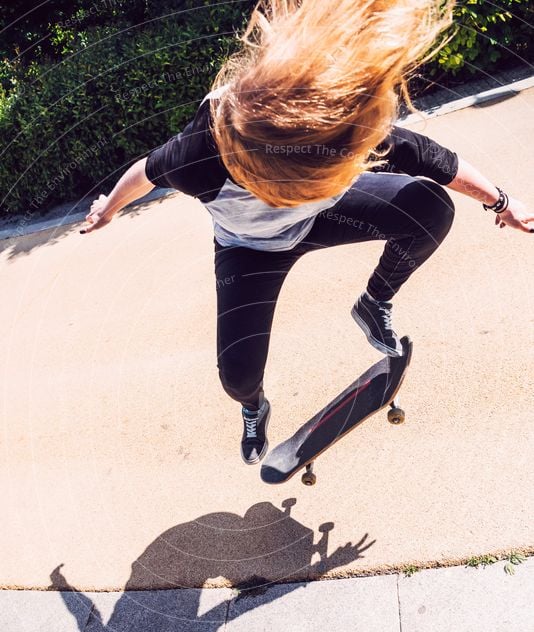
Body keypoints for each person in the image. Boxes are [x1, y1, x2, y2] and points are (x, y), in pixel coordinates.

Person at [81, 0, 534, 465]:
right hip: (251, 248)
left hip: (325, 217)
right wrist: (108, 210)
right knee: (236, 375)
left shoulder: (337, 125)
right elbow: (145, 171)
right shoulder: (196, 158)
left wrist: (502, 202)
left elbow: (434, 159)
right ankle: (254, 407)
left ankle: (373, 302)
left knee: (429, 207)